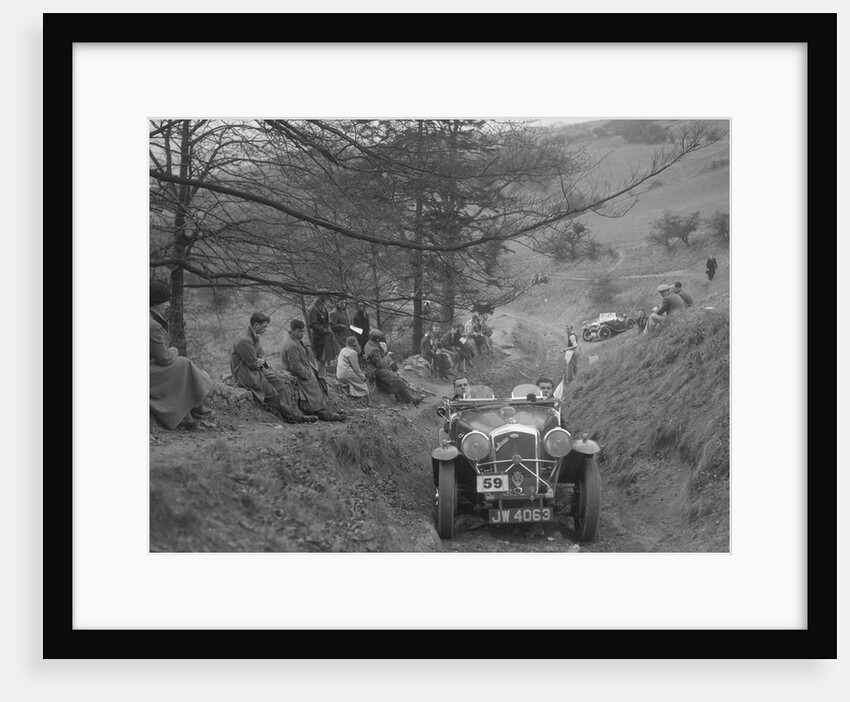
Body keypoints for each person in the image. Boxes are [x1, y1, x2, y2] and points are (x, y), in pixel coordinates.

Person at [149, 280, 214, 430]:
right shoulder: (152, 325)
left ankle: (190, 411)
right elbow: (164, 359)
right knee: (182, 363)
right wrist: (174, 350)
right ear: (155, 303)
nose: (168, 305)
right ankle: (193, 405)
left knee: (179, 365)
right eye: (165, 301)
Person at [231, 312, 316, 424]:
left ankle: (291, 413)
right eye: (264, 326)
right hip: (246, 373)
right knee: (271, 392)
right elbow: (253, 363)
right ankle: (291, 416)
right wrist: (260, 361)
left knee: (279, 385)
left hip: (257, 369)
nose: (265, 329)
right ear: (256, 325)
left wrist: (260, 360)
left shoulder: (254, 335)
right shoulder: (244, 340)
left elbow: (261, 353)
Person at [281, 318, 346, 421]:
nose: (302, 334)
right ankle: (319, 411)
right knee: (312, 384)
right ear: (292, 330)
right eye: (299, 331)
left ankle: (321, 409)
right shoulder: (292, 345)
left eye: (303, 331)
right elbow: (295, 366)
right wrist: (308, 374)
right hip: (299, 373)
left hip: (305, 369)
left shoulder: (294, 340)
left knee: (319, 382)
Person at [363, 329, 423, 405]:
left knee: (396, 377)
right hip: (377, 370)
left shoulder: (370, 343)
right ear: (377, 338)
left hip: (377, 368)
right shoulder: (374, 349)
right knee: (397, 380)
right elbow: (380, 364)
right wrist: (387, 357)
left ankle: (401, 399)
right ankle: (411, 400)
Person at [336, 335, 370, 405]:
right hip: (347, 374)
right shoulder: (353, 353)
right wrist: (363, 377)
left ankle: (356, 398)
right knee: (364, 384)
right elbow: (356, 368)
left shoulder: (343, 350)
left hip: (339, 374)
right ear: (355, 343)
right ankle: (369, 402)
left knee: (354, 381)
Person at [307, 294, 335, 376]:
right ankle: (319, 376)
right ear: (319, 297)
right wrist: (323, 330)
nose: (326, 298)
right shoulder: (314, 308)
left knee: (324, 358)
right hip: (318, 337)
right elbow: (311, 323)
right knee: (319, 358)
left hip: (324, 337)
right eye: (324, 296)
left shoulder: (322, 306)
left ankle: (322, 375)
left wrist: (328, 324)